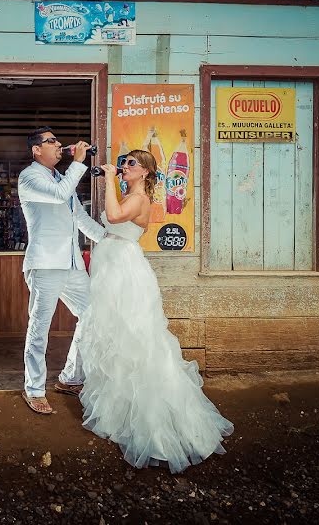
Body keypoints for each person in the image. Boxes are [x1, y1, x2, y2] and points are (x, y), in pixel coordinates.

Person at [76, 149, 233, 472]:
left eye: (131, 164)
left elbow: (116, 216)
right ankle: (122, 408)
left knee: (136, 335)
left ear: (145, 172)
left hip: (125, 270)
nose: (124, 167)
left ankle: (155, 420)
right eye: (124, 163)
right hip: (112, 266)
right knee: (116, 336)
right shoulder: (128, 194)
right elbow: (109, 222)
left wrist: (107, 180)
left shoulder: (137, 199)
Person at [17, 128, 105, 415]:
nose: (57, 145)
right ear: (36, 150)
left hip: (72, 264)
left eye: (57, 141)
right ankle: (34, 389)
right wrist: (78, 162)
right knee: (40, 326)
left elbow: (81, 219)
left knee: (93, 314)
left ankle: (70, 377)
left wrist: (113, 239)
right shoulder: (30, 177)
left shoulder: (60, 178)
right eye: (50, 141)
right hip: (45, 264)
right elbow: (59, 196)